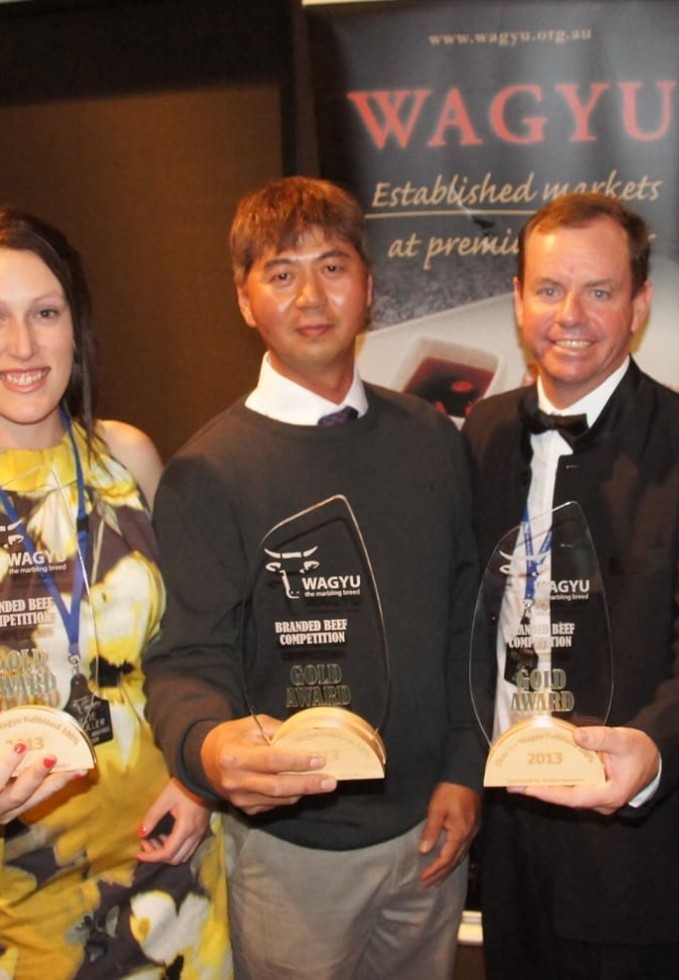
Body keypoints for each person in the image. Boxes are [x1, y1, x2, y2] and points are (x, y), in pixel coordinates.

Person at [142, 176, 483, 979]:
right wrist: (209, 750)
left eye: (332, 266)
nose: (310, 295)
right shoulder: (208, 471)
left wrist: (465, 770)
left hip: (429, 832)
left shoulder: (433, 440)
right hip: (291, 857)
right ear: (243, 298)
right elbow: (189, 659)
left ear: (369, 285)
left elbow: (469, 611)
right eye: (280, 272)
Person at [462, 193, 679, 978]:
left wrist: (652, 751)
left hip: (634, 852)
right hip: (506, 836)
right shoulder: (483, 433)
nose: (573, 315)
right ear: (519, 301)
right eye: (551, 290)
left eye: (601, 291)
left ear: (640, 305)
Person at [0, 209, 230, 977]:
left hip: (175, 861)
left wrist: (198, 781)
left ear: (77, 325)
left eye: (45, 313)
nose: (22, 347)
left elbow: (196, 644)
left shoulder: (127, 457)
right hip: (23, 896)